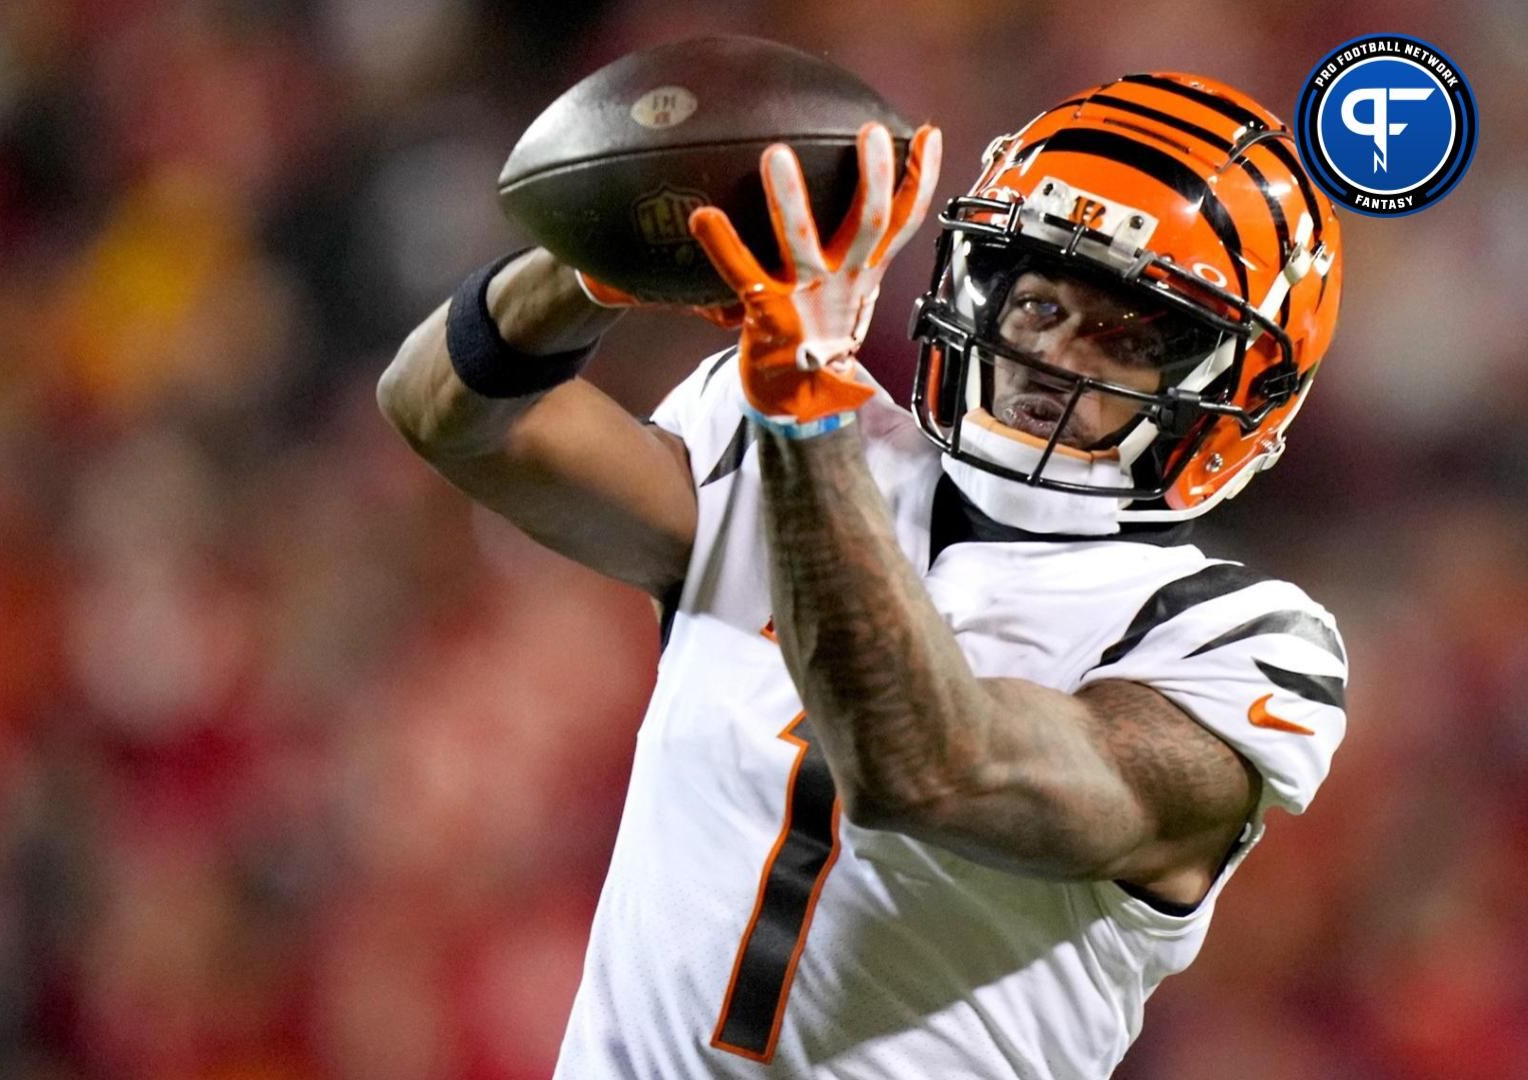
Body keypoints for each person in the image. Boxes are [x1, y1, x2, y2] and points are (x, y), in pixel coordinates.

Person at [377, 71, 1346, 1079]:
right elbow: (448, 414)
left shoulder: (1239, 641)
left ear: (1237, 392)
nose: (1053, 352)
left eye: (1128, 334)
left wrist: (808, 406)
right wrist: (604, 260)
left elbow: (928, 767)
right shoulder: (793, 430)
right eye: (1037, 300)